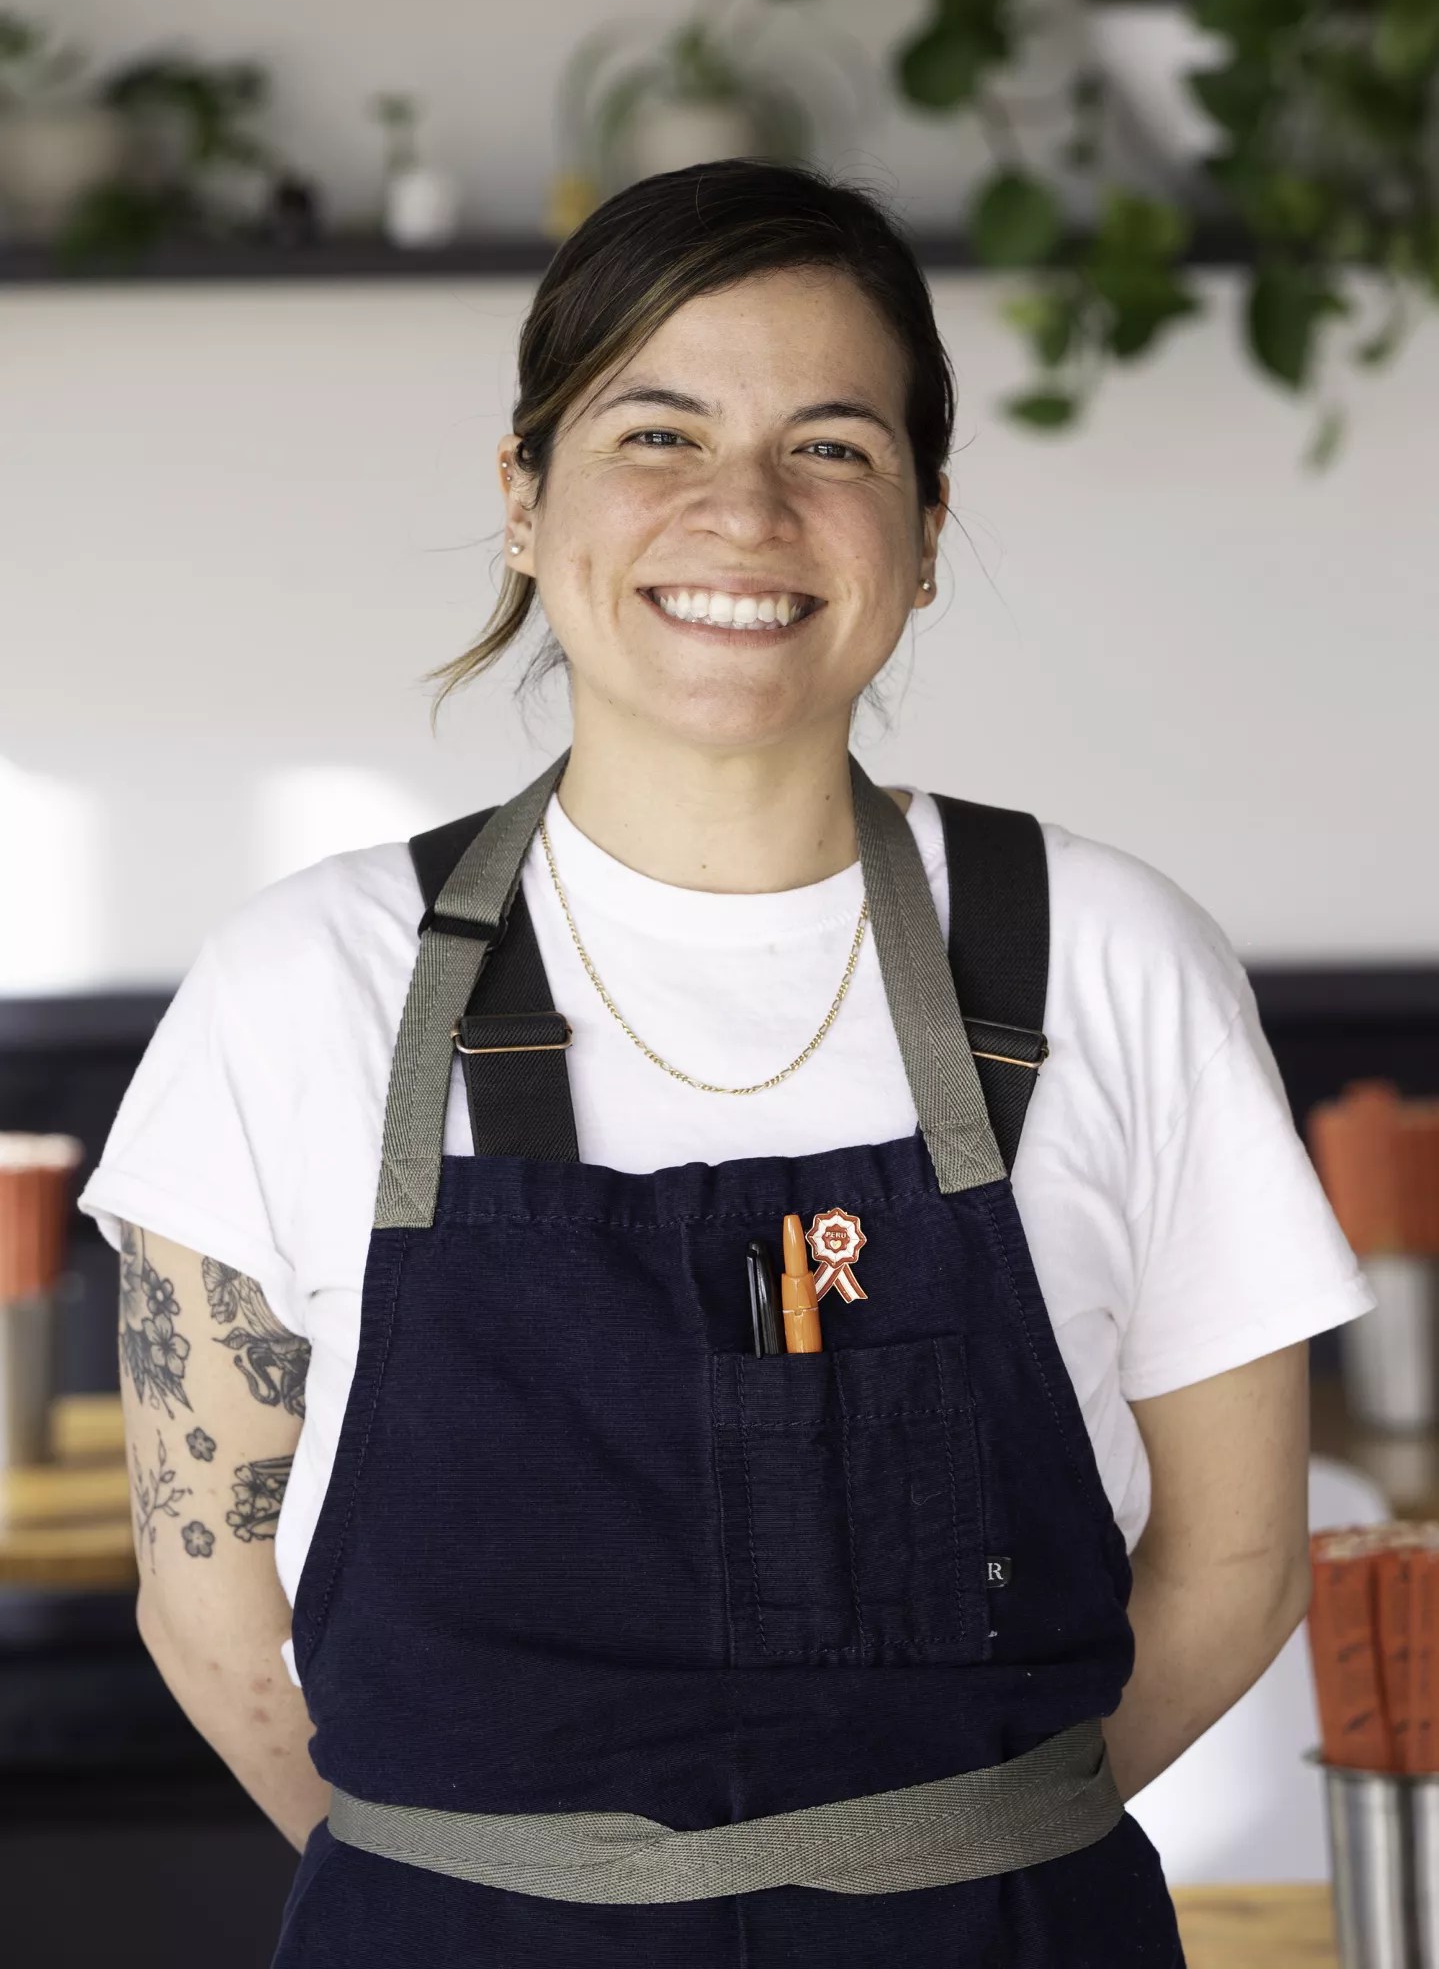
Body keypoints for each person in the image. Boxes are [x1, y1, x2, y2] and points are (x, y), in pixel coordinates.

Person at [79, 159, 1375, 1966]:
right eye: (658, 435)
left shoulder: (1108, 956)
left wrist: (954, 1865)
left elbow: (1234, 1569)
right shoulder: (303, 987)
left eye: (832, 446)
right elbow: (211, 1617)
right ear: (524, 499)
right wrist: (504, 1898)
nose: (744, 511)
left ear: (925, 527)